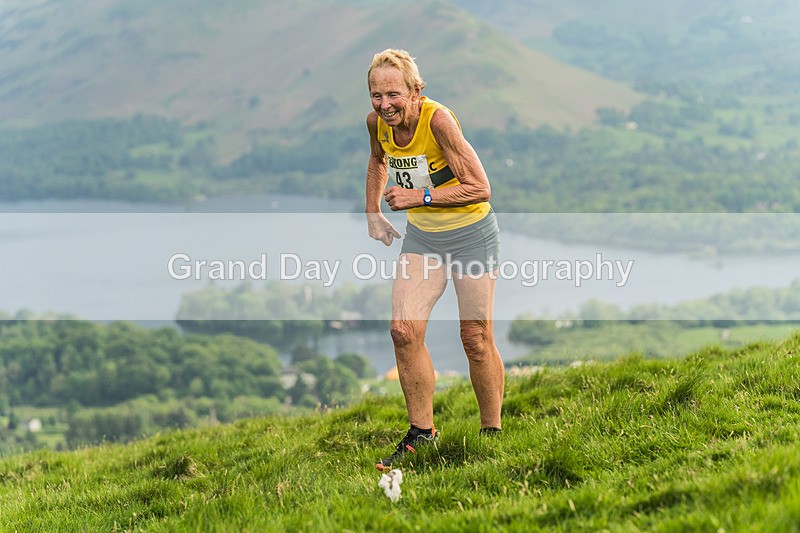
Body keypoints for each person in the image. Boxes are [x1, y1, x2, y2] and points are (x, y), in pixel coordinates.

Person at [364, 49, 505, 471]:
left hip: (472, 236)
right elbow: (378, 161)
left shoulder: (438, 120)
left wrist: (417, 196)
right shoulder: (377, 124)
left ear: (415, 90)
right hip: (424, 239)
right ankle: (421, 435)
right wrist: (372, 213)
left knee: (475, 338)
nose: (384, 104)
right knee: (403, 331)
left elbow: (480, 187)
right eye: (376, 95)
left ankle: (491, 433)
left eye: (393, 94)